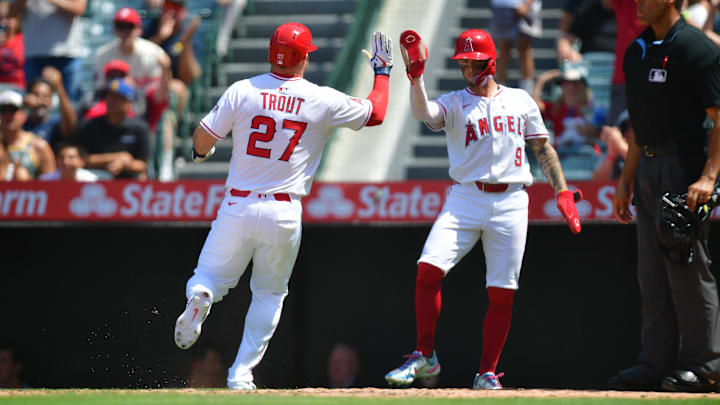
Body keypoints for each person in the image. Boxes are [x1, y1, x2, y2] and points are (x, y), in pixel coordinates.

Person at [172, 23, 392, 390]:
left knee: (206, 278)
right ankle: (241, 375)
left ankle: (201, 298)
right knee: (269, 294)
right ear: (304, 57)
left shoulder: (242, 89)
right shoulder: (319, 97)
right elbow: (376, 112)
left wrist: (200, 153)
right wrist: (382, 73)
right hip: (283, 210)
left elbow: (202, 138)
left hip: (238, 205)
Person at [385, 29, 582, 390]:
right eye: (463, 61)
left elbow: (542, 148)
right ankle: (424, 355)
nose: (467, 67)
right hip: (465, 197)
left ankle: (487, 372)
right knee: (428, 268)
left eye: (472, 61)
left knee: (502, 289)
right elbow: (425, 113)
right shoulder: (455, 101)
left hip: (511, 200)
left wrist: (563, 191)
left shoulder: (521, 100)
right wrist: (417, 80)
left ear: (490, 61)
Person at [610, 0, 720, 393]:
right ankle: (654, 362)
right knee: (652, 273)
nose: (637, 3)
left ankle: (706, 366)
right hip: (649, 166)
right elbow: (638, 127)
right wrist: (625, 181)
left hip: (684, 166)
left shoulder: (697, 47)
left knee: (687, 267)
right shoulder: (637, 50)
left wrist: (709, 176)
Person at [9, 0, 86, 104]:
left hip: (67, 55)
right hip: (34, 55)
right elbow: (11, 12)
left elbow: (79, 9)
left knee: (72, 104)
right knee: (34, 107)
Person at [77, 79, 150, 180]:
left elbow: (143, 164)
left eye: (118, 98)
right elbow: (82, 160)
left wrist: (124, 163)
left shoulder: (139, 128)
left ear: (129, 103)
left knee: (142, 176)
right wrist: (117, 157)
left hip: (128, 179)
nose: (112, 101)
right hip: (94, 178)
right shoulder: (90, 125)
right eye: (109, 96)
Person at [532, 64, 606, 156]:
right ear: (561, 86)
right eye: (566, 82)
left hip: (587, 157)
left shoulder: (593, 108)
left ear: (582, 86)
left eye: (575, 82)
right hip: (562, 156)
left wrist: (588, 131)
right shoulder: (556, 108)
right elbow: (534, 108)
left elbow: (599, 134)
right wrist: (541, 80)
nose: (570, 87)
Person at [0, 89, 54, 180]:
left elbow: (51, 186)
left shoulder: (39, 146)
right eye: (3, 111)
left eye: (13, 110)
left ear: (23, 114)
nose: (8, 115)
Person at [490, 0, 542, 93]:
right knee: (503, 49)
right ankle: (500, 90)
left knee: (525, 49)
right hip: (502, 5)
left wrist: (527, 4)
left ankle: (527, 91)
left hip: (527, 7)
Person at [22, 66, 76, 146]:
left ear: (51, 101)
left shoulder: (55, 124)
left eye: (46, 97)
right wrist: (22, 104)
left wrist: (59, 87)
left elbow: (71, 124)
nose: (41, 101)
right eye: (36, 95)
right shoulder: (20, 123)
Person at [591, 110, 630, 181]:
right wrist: (611, 155)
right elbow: (596, 183)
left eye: (634, 128)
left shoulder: (649, 150)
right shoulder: (612, 149)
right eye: (627, 127)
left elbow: (643, 171)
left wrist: (620, 145)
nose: (630, 132)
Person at [0, 0, 24, 91]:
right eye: (0, 18)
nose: (4, 22)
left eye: (8, 18)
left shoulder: (24, 40)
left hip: (18, 88)